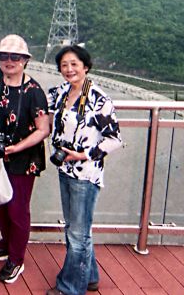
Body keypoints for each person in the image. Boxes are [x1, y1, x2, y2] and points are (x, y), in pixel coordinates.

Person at [46, 45, 122, 295]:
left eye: (74, 64)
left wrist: (84, 154)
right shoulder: (61, 92)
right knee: (76, 228)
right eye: (64, 65)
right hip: (65, 168)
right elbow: (43, 108)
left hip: (86, 174)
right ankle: (90, 277)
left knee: (78, 234)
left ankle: (70, 288)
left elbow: (114, 139)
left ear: (85, 67)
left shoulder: (98, 99)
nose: (69, 69)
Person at [0, 35, 50, 284]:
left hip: (22, 159)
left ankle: (16, 259)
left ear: (25, 60)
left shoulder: (34, 92)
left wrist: (16, 147)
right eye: (4, 56)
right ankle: (6, 244)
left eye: (15, 57)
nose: (9, 61)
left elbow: (43, 129)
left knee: (17, 209)